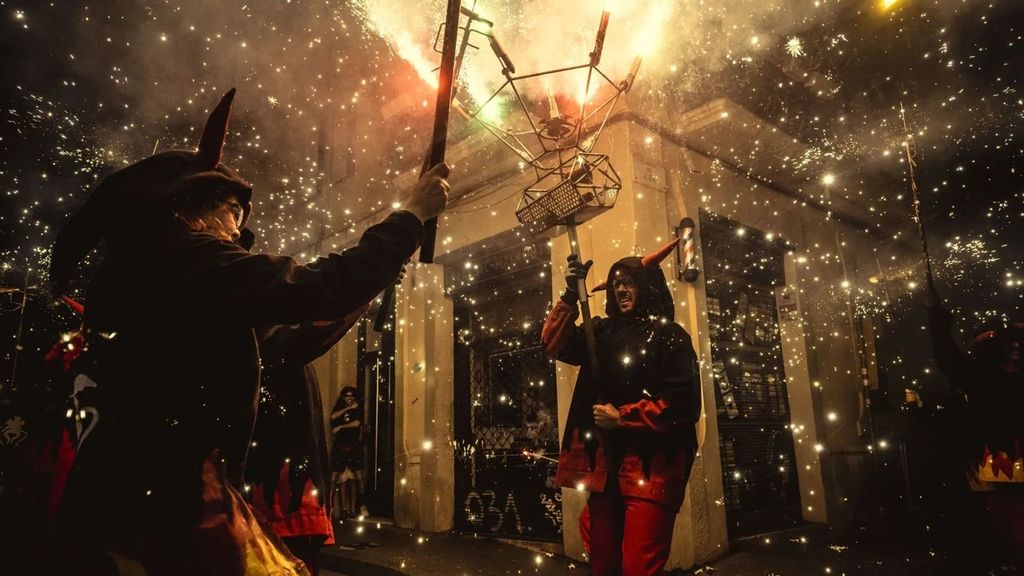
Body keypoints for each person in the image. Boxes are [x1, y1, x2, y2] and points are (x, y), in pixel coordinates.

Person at [47, 88, 450, 575]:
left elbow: (281, 341)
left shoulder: (149, 272)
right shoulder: (184, 259)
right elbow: (318, 288)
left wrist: (367, 282)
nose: (237, 231)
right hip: (167, 497)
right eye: (233, 213)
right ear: (188, 205)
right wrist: (409, 217)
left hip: (140, 484)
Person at [541, 241, 702, 576]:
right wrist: (571, 294)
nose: (621, 289)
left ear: (646, 287)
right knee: (603, 564)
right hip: (604, 467)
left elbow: (683, 404)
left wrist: (624, 417)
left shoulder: (669, 336)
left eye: (628, 282)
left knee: (637, 566)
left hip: (651, 469)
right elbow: (553, 342)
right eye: (616, 284)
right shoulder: (601, 331)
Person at [246, 308, 368, 576]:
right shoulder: (267, 342)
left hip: (289, 501)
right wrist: (372, 279)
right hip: (279, 503)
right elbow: (321, 327)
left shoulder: (274, 344)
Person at [926, 292, 1024, 571]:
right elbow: (949, 358)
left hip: (1005, 454)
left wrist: (937, 318)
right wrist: (937, 318)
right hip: (1003, 456)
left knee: (1010, 519)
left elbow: (949, 358)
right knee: (1006, 518)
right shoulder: (986, 375)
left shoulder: (991, 375)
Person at [329, 386, 365, 519]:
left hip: (354, 446)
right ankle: (331, 507)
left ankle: (361, 506)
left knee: (358, 477)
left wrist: (341, 427)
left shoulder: (358, 409)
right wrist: (348, 408)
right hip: (339, 447)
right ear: (343, 397)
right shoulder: (342, 408)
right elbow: (333, 417)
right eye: (347, 396)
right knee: (334, 478)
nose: (349, 398)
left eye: (352, 396)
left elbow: (357, 423)